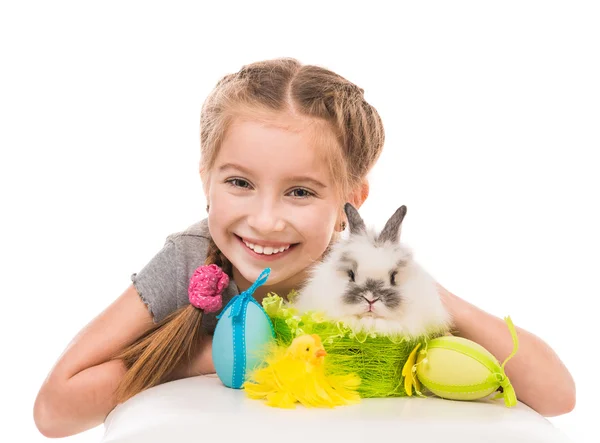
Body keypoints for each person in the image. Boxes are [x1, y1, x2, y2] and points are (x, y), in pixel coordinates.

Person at [33, 57, 576, 438]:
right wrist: (223, 358)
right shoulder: (191, 259)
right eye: (239, 182)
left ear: (350, 200)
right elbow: (54, 411)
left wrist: (431, 297)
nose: (265, 220)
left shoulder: (365, 280)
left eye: (300, 191)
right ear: (205, 178)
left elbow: (557, 395)